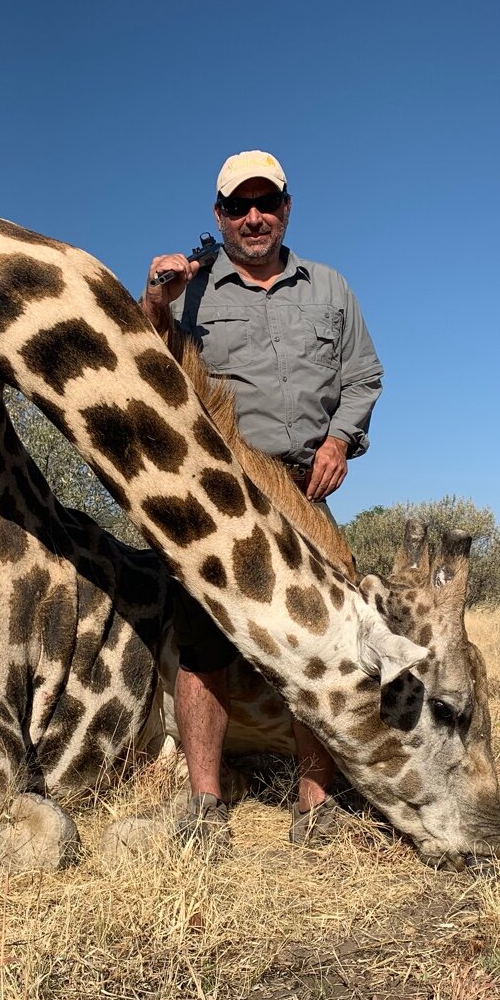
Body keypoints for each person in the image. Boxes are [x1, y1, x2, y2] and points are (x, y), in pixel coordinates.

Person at [140, 150, 384, 847]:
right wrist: (157, 299)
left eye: (266, 203)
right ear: (218, 216)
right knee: (203, 643)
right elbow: (148, 354)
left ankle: (315, 807)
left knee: (325, 643)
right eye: (238, 207)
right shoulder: (190, 286)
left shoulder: (329, 288)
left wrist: (340, 441)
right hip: (222, 495)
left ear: (285, 208)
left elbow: (363, 376)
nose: (254, 218)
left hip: (303, 489)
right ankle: (205, 807)